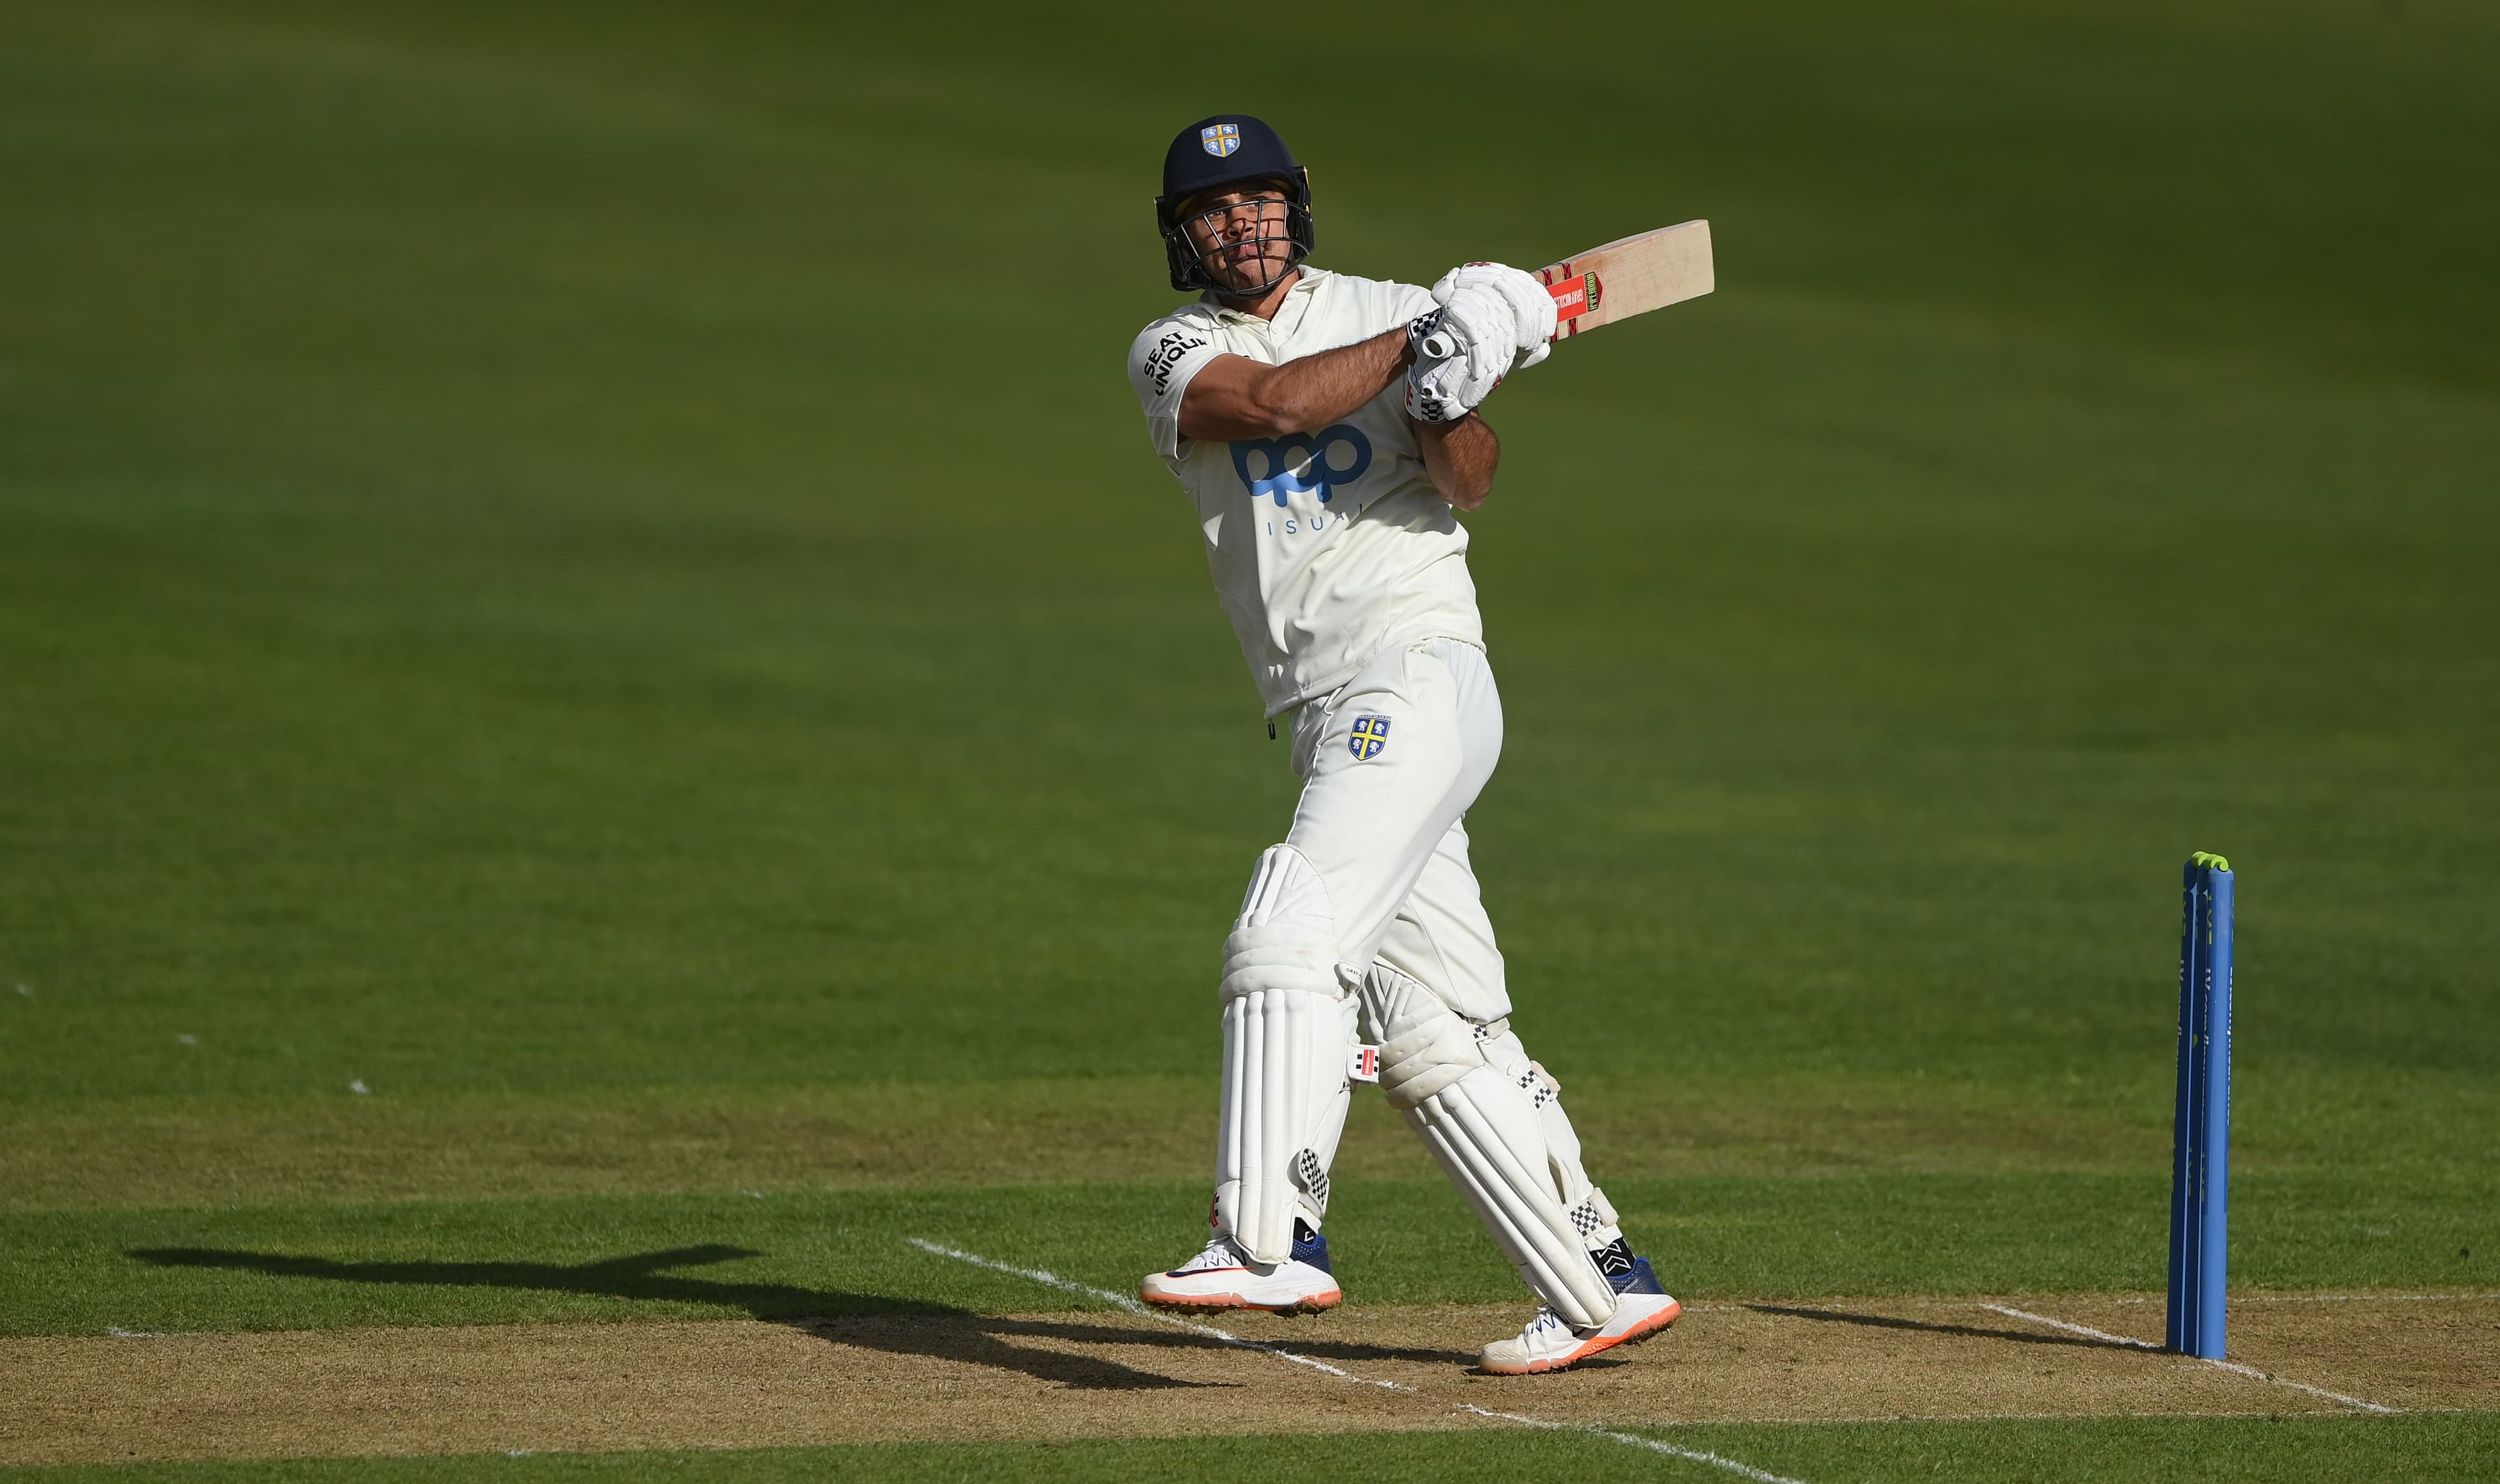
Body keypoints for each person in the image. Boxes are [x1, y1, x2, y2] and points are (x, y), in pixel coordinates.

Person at [1120, 114, 1680, 1376]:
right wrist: (1433, 335)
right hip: (1327, 705)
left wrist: (1447, 389)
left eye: (1259, 201)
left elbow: (1468, 479)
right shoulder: (1175, 349)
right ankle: (1596, 1276)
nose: (1239, 225)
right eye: (1213, 211)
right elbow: (1265, 406)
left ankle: (1267, 1237)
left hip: (1414, 672)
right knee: (1435, 1024)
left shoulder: (1394, 308)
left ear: (1296, 207)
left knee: (1289, 929)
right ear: (1182, 236)